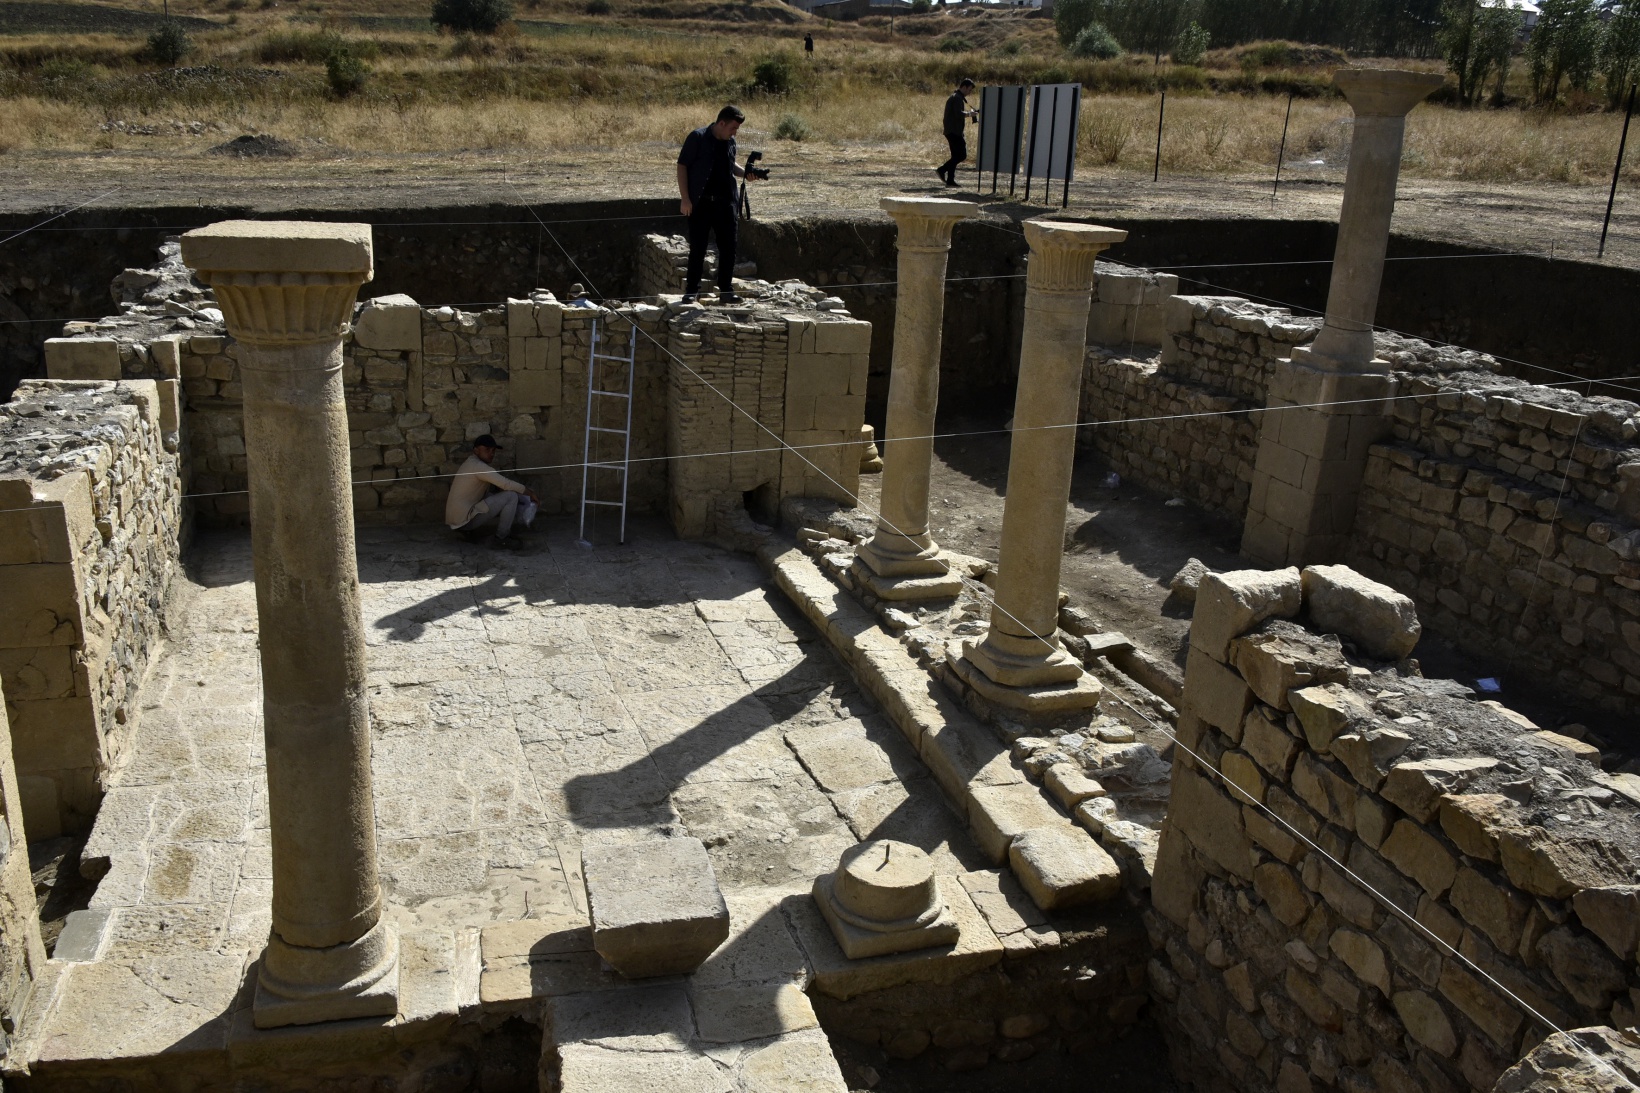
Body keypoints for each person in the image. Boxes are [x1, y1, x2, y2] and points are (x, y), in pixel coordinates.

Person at [676, 105, 752, 304]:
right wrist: (685, 198)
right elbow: (682, 166)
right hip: (700, 203)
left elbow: (731, 165)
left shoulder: (730, 141)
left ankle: (726, 290)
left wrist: (747, 173)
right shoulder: (697, 138)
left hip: (726, 204)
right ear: (721, 123)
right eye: (733, 128)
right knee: (698, 248)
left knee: (729, 248)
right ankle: (692, 291)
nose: (735, 133)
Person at [445, 435, 539, 550]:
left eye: (493, 450)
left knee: (495, 495)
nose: (491, 453)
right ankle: (501, 538)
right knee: (511, 496)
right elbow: (506, 484)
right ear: (476, 450)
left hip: (458, 519)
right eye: (487, 449)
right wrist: (529, 493)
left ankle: (468, 530)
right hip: (463, 521)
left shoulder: (471, 462)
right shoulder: (478, 466)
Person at [937, 77, 977, 187]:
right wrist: (970, 114)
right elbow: (958, 114)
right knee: (961, 155)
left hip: (952, 131)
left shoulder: (957, 97)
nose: (969, 93)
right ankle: (942, 170)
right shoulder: (957, 98)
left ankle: (950, 180)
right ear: (964, 87)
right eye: (969, 90)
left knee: (955, 156)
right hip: (954, 131)